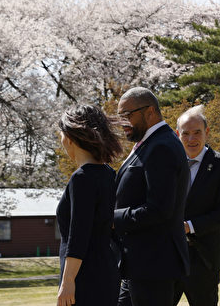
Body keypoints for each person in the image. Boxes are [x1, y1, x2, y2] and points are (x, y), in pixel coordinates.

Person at [113, 87, 190, 306]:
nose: (123, 122)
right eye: (120, 117)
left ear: (150, 112)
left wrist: (113, 219)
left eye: (127, 115)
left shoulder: (161, 147)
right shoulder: (149, 143)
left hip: (153, 266)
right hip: (139, 264)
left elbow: (159, 209)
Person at [56, 105, 122, 306]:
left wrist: (67, 282)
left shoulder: (82, 179)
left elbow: (79, 235)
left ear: (69, 138)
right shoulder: (110, 174)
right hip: (108, 271)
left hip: (84, 277)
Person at [173, 105, 220, 306]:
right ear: (177, 134)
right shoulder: (167, 164)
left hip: (204, 258)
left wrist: (190, 226)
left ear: (207, 132)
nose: (191, 139)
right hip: (169, 255)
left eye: (197, 133)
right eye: (186, 133)